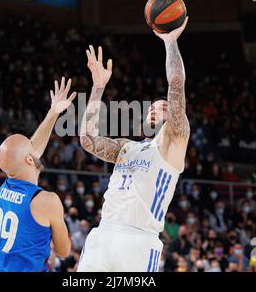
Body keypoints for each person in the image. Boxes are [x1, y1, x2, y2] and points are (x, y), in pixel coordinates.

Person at [78, 18, 190, 272]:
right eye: (151, 107)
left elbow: (176, 84)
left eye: (162, 108)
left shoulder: (172, 142)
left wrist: (170, 41)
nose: (154, 110)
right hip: (104, 232)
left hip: (138, 240)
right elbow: (87, 140)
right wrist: (97, 88)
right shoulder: (127, 147)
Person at [0, 77, 74, 272]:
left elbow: (29, 150)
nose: (35, 147)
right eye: (31, 148)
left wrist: (53, 112)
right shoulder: (47, 200)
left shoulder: (3, 191)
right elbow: (64, 251)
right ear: (30, 159)